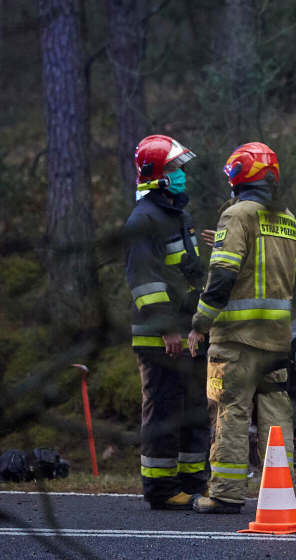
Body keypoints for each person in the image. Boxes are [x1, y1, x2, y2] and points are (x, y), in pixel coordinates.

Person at [188, 142, 296, 514]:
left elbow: (222, 278)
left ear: (238, 176)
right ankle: (280, 491)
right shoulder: (288, 219)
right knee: (276, 416)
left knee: (230, 412)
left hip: (236, 340)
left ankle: (224, 494)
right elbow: (280, 272)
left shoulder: (237, 216)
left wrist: (199, 324)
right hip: (277, 340)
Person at [124, 135, 210, 510]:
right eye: (175, 169)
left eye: (181, 169)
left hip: (188, 335)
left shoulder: (179, 216)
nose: (182, 175)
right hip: (160, 338)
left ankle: (192, 482)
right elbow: (146, 283)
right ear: (154, 174)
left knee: (193, 409)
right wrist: (168, 329)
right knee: (163, 411)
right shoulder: (143, 220)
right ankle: (160, 490)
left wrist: (197, 325)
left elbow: (188, 276)